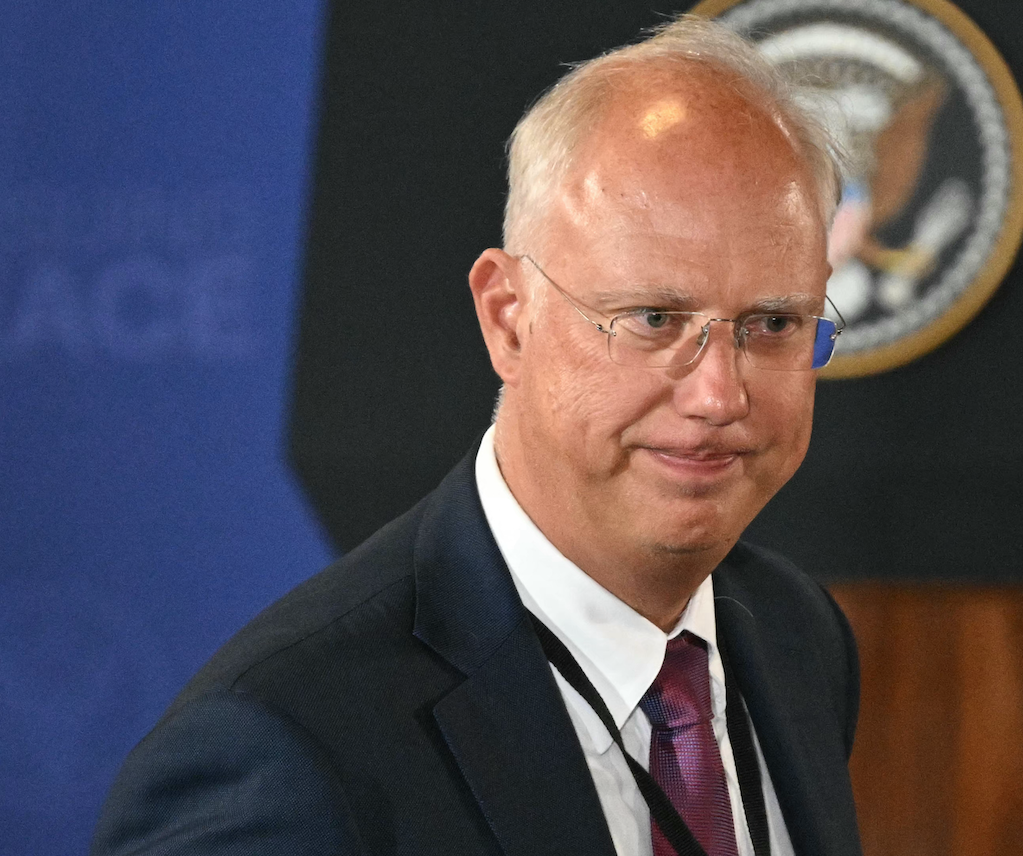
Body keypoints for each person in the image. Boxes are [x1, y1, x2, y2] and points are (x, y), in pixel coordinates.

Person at [92, 17, 862, 856]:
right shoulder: (282, 746)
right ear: (507, 319)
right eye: (652, 318)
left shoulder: (793, 635)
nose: (718, 395)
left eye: (773, 324)